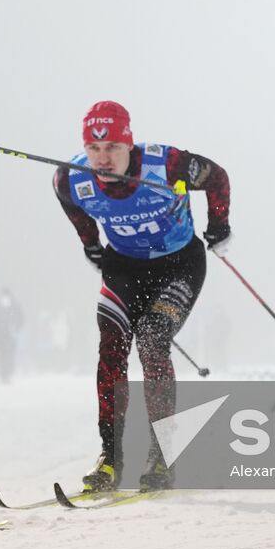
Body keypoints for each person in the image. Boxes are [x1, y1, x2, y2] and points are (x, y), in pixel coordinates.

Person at [54, 100, 231, 492]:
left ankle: (161, 452)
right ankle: (110, 458)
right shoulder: (71, 179)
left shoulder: (165, 164)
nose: (103, 158)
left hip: (179, 264)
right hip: (125, 267)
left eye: (113, 148)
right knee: (111, 346)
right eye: (94, 149)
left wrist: (218, 225)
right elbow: (73, 207)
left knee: (152, 339)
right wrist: (91, 244)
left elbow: (217, 177)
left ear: (129, 145)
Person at [0, 288, 24, 383]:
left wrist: (17, 327)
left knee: (8, 353)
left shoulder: (13, 305)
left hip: (9, 333)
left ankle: (7, 372)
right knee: (4, 353)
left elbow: (21, 318)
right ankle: (5, 374)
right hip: (2, 333)